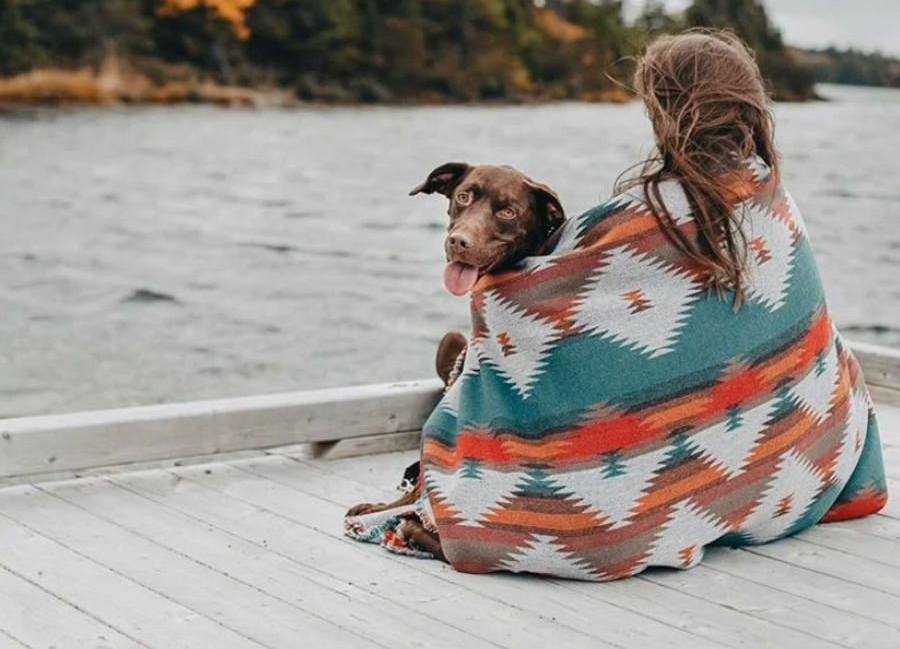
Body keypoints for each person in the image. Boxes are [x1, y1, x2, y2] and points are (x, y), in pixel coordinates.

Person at [351, 30, 889, 580]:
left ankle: (468, 378)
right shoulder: (772, 200)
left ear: (662, 113)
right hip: (807, 468)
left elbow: (531, 311)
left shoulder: (624, 226)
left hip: (614, 522)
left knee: (507, 357)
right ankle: (471, 373)